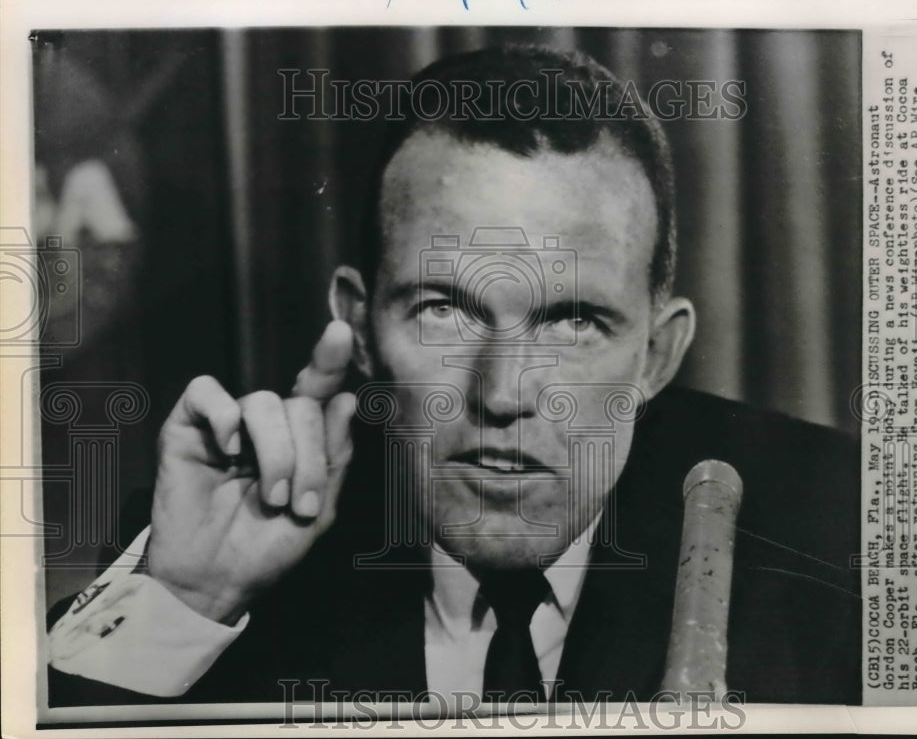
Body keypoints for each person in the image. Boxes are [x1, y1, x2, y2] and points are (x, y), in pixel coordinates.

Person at [47, 45, 861, 709]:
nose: (502, 393)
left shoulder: (841, 544)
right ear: (360, 327)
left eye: (574, 321)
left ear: (656, 354)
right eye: (444, 309)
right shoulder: (225, 545)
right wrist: (184, 598)